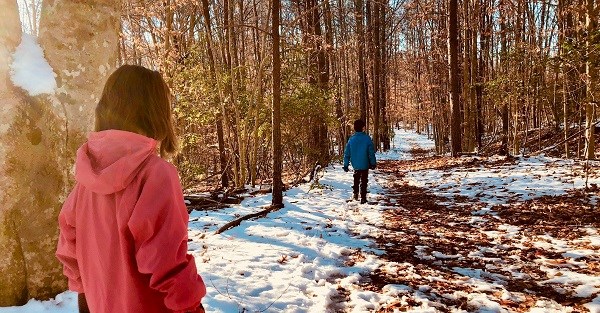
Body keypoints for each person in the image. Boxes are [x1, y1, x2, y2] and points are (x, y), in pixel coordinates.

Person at [56, 65, 206, 313]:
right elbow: (167, 263)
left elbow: (71, 253)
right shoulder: (156, 175)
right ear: (156, 111)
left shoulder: (85, 181)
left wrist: (86, 302)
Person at [343, 119, 377, 204]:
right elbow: (371, 153)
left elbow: (347, 153)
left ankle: (355, 194)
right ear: (363, 128)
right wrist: (373, 163)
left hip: (355, 164)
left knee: (356, 178)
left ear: (354, 128)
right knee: (364, 180)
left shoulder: (351, 139)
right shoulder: (367, 138)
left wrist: (346, 165)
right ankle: (363, 197)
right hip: (365, 163)